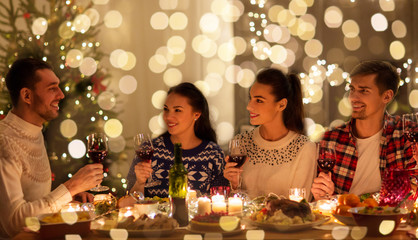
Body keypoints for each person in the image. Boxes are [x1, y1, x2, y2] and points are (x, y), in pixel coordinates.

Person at [0, 58, 104, 238]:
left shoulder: (35, 131)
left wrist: (66, 199)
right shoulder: (4, 142)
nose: (61, 95)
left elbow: (33, 201)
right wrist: (70, 187)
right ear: (27, 96)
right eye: (52, 88)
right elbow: (14, 223)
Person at [311, 60, 417, 200]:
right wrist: (323, 193)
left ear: (387, 96)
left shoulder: (405, 135)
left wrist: (363, 201)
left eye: (364, 91)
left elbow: (413, 191)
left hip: (391, 219)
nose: (353, 98)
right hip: (342, 219)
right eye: (352, 89)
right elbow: (324, 198)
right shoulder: (331, 139)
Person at [223, 68, 316, 200]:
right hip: (246, 220)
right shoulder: (241, 142)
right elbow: (235, 203)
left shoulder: (304, 149)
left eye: (259, 100)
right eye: (251, 98)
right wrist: (233, 183)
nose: (249, 106)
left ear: (281, 105)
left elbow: (300, 206)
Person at [127, 82, 228, 197]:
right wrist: (139, 183)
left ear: (196, 114)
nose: (168, 117)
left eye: (177, 110)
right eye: (166, 109)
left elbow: (222, 203)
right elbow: (126, 203)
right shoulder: (148, 151)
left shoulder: (214, 154)